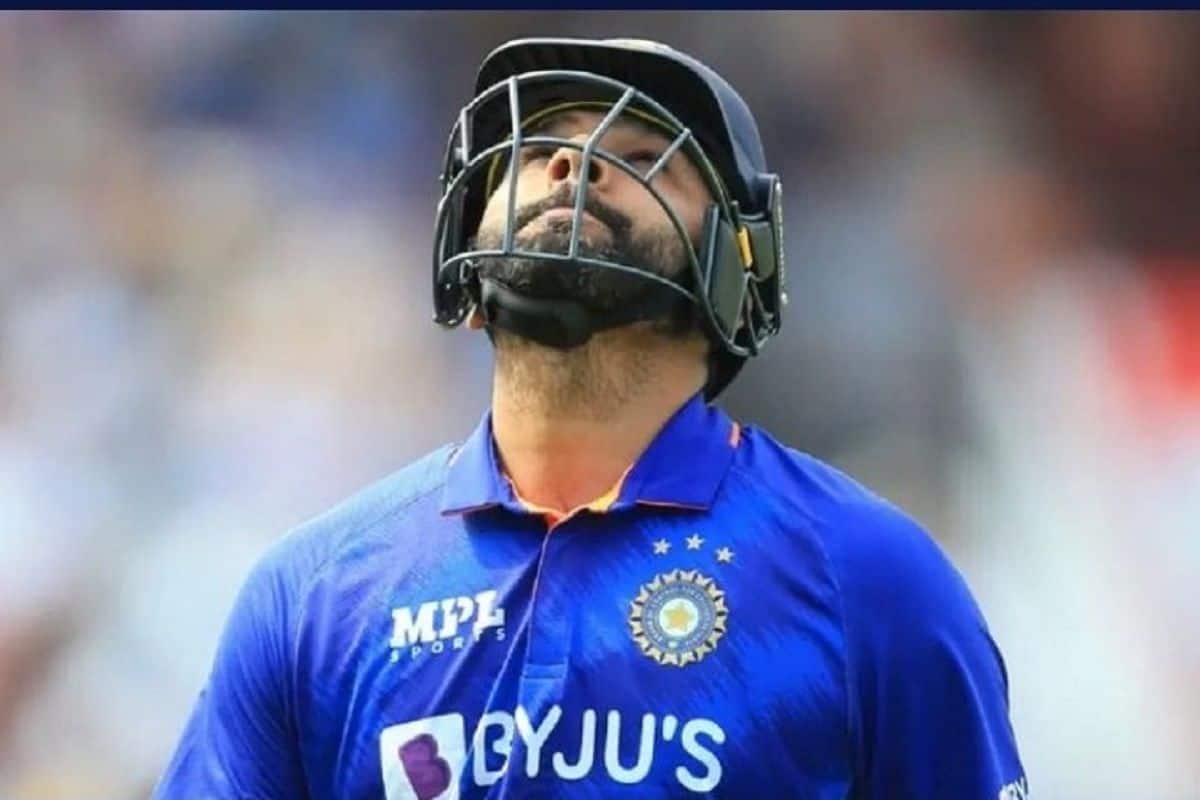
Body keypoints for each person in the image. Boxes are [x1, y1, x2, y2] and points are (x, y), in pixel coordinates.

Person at [155, 37, 1027, 799]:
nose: (574, 168)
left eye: (644, 156)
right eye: (540, 152)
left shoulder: (868, 580)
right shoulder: (317, 596)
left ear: (735, 267)